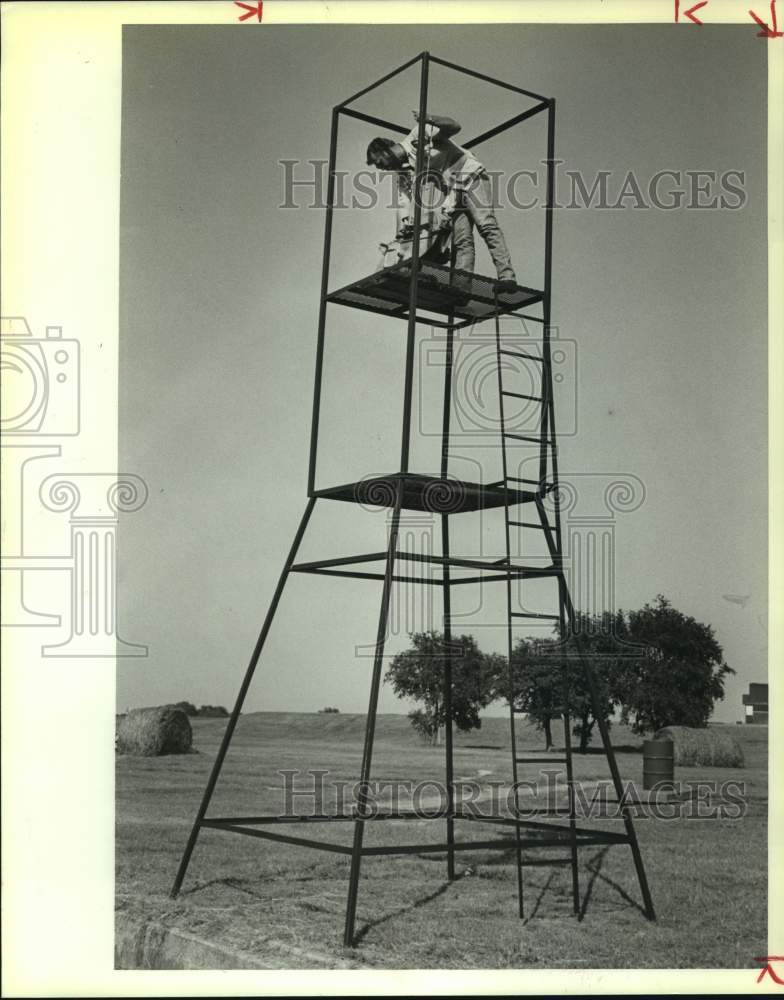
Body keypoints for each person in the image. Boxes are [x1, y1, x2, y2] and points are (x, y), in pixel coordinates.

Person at [366, 111, 518, 291]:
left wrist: (429, 119)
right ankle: (461, 289)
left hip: (470, 175)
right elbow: (404, 203)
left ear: (385, 150)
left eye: (379, 162)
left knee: (485, 224)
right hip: (453, 191)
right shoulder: (404, 173)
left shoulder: (418, 136)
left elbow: (454, 126)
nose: (382, 168)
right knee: (461, 239)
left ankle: (507, 277)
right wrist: (401, 235)